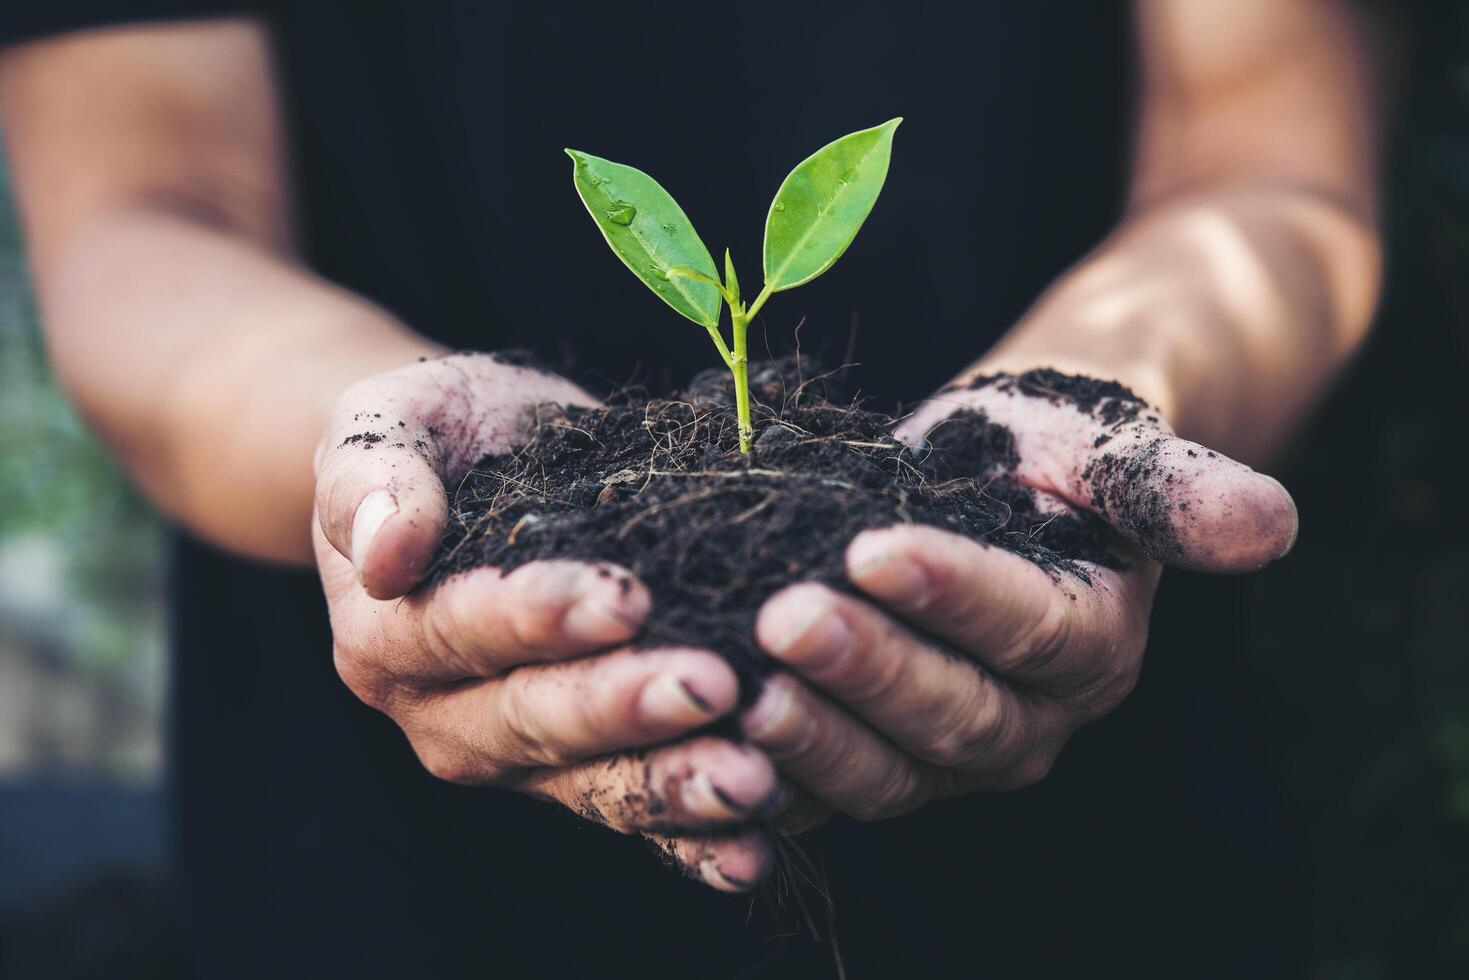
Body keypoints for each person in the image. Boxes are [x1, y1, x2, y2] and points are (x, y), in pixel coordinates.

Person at [0, 1, 1393, 976]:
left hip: (1091, 883)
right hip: (381, 878)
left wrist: (1102, 395)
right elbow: (150, 210)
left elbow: (1267, 157)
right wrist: (376, 461)